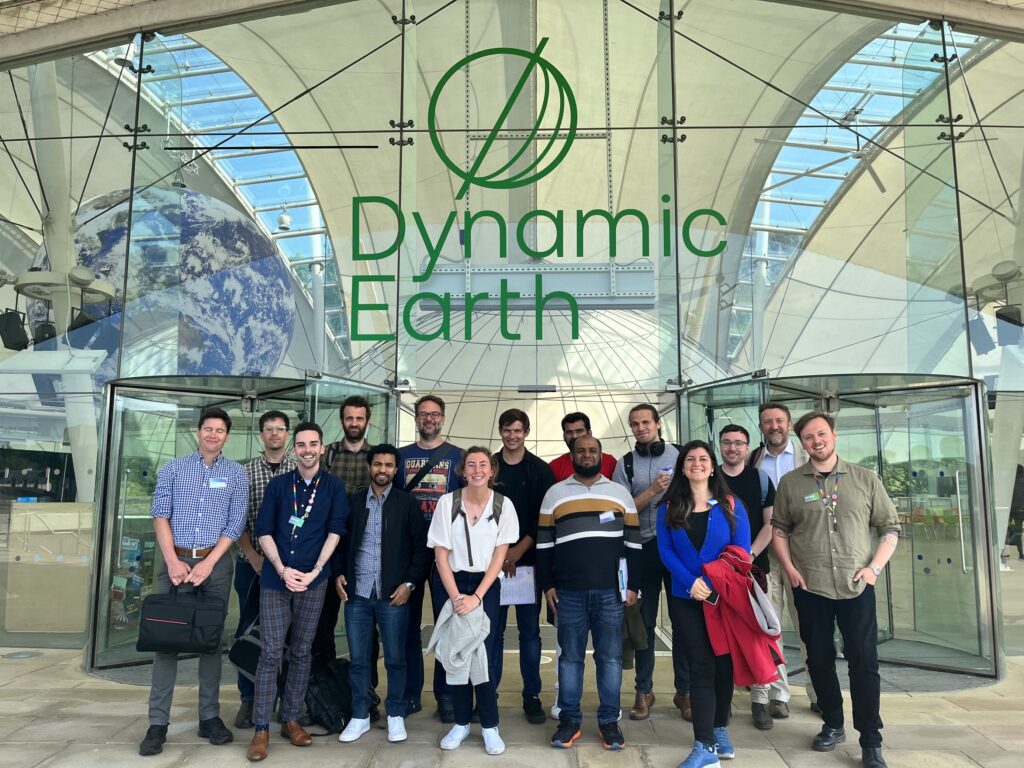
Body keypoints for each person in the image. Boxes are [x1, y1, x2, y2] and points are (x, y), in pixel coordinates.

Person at [772, 411, 900, 768]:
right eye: (809, 437)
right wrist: (790, 568)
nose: (817, 441)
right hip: (810, 586)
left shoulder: (864, 479)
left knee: (864, 663)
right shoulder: (791, 484)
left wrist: (874, 569)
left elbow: (890, 528)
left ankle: (871, 740)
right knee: (819, 660)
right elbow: (779, 529)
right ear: (803, 443)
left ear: (834, 435)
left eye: (822, 434)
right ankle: (832, 722)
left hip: (856, 586)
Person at [139, 407, 248, 757]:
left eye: (220, 430)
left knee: (210, 642)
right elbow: (160, 514)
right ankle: (157, 724)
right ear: (198, 432)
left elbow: (235, 524)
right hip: (175, 561)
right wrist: (173, 560)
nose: (213, 435)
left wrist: (207, 565)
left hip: (214, 566)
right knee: (165, 641)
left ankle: (209, 717)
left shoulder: (236, 474)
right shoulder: (173, 468)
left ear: (227, 436)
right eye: (208, 429)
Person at [246, 422, 348, 762]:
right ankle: (261, 726)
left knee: (303, 651)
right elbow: (263, 531)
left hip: (314, 582)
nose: (307, 449)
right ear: (294, 449)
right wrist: (281, 569)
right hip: (277, 580)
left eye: (313, 444)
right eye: (301, 444)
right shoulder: (279, 486)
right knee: (272, 652)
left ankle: (290, 718)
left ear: (321, 448)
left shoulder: (333, 486)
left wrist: (316, 571)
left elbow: (335, 531)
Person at [537, 435, 641, 751]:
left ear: (600, 454)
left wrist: (632, 586)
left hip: (611, 592)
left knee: (609, 658)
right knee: (569, 659)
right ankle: (570, 720)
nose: (586, 454)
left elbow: (633, 543)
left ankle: (609, 722)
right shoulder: (555, 494)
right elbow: (543, 545)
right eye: (580, 450)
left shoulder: (619, 493)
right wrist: (547, 585)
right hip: (567, 592)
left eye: (592, 450)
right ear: (572, 455)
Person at [658, 440, 751, 768]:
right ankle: (704, 746)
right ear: (682, 467)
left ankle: (720, 729)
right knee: (701, 665)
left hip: (724, 600)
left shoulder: (730, 504)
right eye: (690, 459)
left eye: (703, 459)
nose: (697, 463)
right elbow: (666, 551)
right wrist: (691, 582)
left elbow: (742, 552)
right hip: (687, 599)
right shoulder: (669, 507)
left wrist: (712, 584)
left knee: (723, 666)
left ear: (712, 466)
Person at [427, 447, 519, 756]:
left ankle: (490, 726)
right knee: (456, 653)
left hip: (486, 585)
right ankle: (462, 723)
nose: (477, 469)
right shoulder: (447, 503)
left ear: (492, 470)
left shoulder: (504, 505)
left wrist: (477, 596)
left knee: (484, 651)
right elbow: (440, 554)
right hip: (452, 583)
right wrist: (456, 597)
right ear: (463, 471)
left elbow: (500, 555)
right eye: (471, 465)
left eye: (483, 464)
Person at [335, 444, 429, 744]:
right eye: (378, 464)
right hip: (358, 594)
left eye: (389, 465)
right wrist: (338, 573)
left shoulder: (406, 504)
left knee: (396, 659)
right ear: (369, 466)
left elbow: (421, 549)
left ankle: (395, 714)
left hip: (393, 595)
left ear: (395, 469)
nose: (383, 470)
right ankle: (360, 715)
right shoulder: (354, 502)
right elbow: (339, 540)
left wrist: (410, 584)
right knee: (360, 660)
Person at [612, 403, 690, 722]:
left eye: (646, 422)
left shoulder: (682, 455)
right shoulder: (625, 464)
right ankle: (643, 690)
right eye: (635, 424)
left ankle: (684, 691)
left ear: (658, 424)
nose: (641, 427)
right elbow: (619, 511)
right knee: (642, 625)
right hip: (641, 550)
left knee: (682, 622)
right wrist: (653, 491)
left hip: (676, 548)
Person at [396, 394, 464, 720]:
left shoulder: (459, 458)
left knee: (446, 623)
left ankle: (446, 696)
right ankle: (410, 693)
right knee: (407, 625)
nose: (429, 419)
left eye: (435, 414)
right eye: (423, 414)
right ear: (416, 418)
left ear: (443, 418)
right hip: (408, 551)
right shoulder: (400, 457)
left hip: (445, 552)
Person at [717, 424, 788, 730]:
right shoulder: (710, 477)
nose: (732, 448)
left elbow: (770, 523)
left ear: (747, 448)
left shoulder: (760, 479)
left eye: (738, 443)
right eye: (727, 442)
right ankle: (722, 699)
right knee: (721, 638)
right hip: (718, 572)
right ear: (720, 445)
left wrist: (749, 556)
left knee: (761, 634)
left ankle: (761, 698)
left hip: (753, 570)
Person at [749, 401, 817, 714]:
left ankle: (819, 694)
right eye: (767, 422)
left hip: (803, 554)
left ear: (788, 425)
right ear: (760, 427)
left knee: (809, 627)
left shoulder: (809, 457)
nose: (773, 426)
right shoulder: (754, 461)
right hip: (766, 557)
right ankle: (778, 694)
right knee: (769, 624)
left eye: (779, 421)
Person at [233, 410, 296, 730]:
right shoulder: (245, 473)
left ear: (288, 434)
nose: (274, 434)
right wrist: (254, 558)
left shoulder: (300, 469)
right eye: (269, 429)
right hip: (252, 566)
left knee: (287, 634)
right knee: (248, 629)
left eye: (280, 429)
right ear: (261, 435)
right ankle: (249, 698)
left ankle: (286, 696)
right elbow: (236, 520)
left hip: (291, 570)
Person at [492, 408, 555, 724]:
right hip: (493, 566)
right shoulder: (487, 467)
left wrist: (517, 551)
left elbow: (543, 521)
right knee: (492, 633)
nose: (512, 436)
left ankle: (532, 696)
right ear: (500, 431)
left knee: (530, 634)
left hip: (528, 566)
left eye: (517, 430)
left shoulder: (540, 471)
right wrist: (502, 555)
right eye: (507, 430)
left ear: (526, 432)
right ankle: (488, 695)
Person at [313, 395, 374, 669]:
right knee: (323, 621)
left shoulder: (376, 457)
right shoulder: (328, 454)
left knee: (365, 622)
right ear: (342, 421)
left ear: (367, 421)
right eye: (349, 418)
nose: (354, 423)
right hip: (328, 547)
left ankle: (366, 686)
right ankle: (324, 683)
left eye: (359, 418)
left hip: (364, 548)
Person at [548, 411, 618, 482]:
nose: (574, 436)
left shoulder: (610, 462)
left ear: (589, 433)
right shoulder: (554, 466)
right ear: (564, 436)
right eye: (569, 432)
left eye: (579, 431)